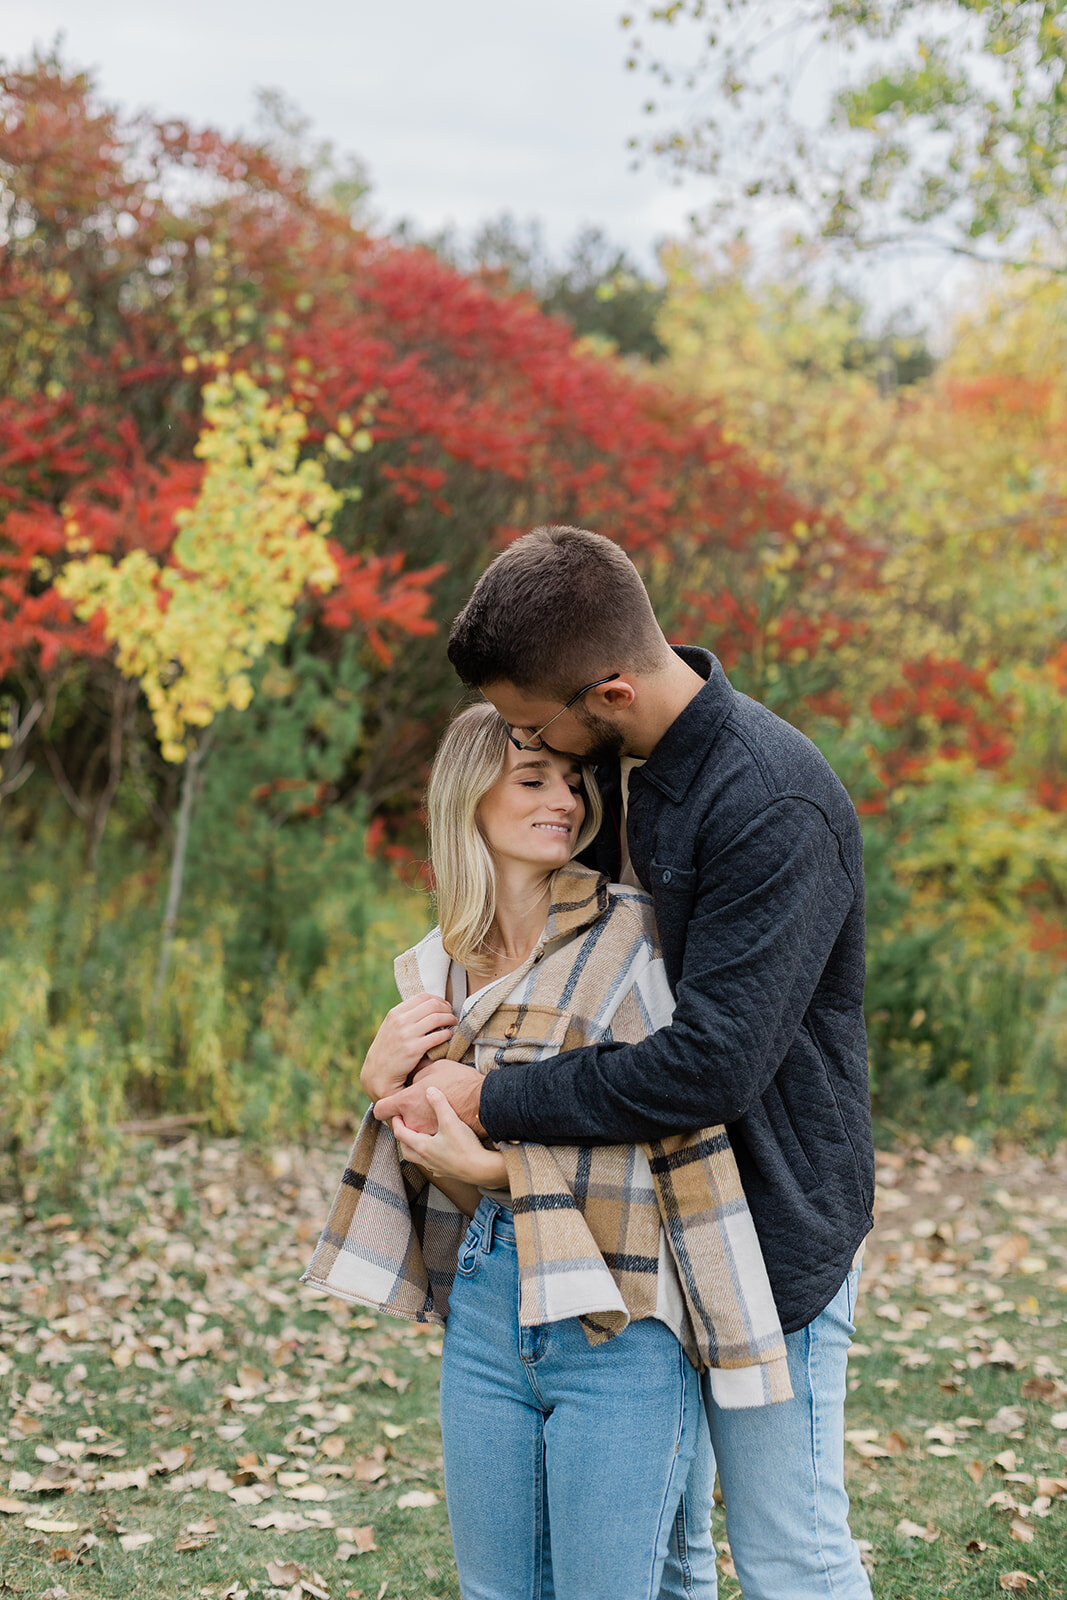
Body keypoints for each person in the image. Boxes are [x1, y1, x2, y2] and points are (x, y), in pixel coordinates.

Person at [373, 526, 876, 1600]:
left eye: (529, 724)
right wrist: (399, 1058)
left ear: (604, 690)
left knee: (789, 1550)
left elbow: (704, 1066)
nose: (534, 755)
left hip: (767, 1233)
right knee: (670, 1549)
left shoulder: (769, 800)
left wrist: (490, 1101)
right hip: (637, 1235)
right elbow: (541, 973)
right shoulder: (621, 778)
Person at [303, 701, 792, 1600]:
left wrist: (496, 1172)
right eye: (531, 781)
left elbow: (674, 1140)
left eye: (570, 781)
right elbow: (437, 1133)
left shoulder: (630, 938)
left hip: (620, 1310)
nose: (563, 799)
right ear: (467, 799)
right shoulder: (435, 967)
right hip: (489, 1301)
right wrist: (381, 1091)